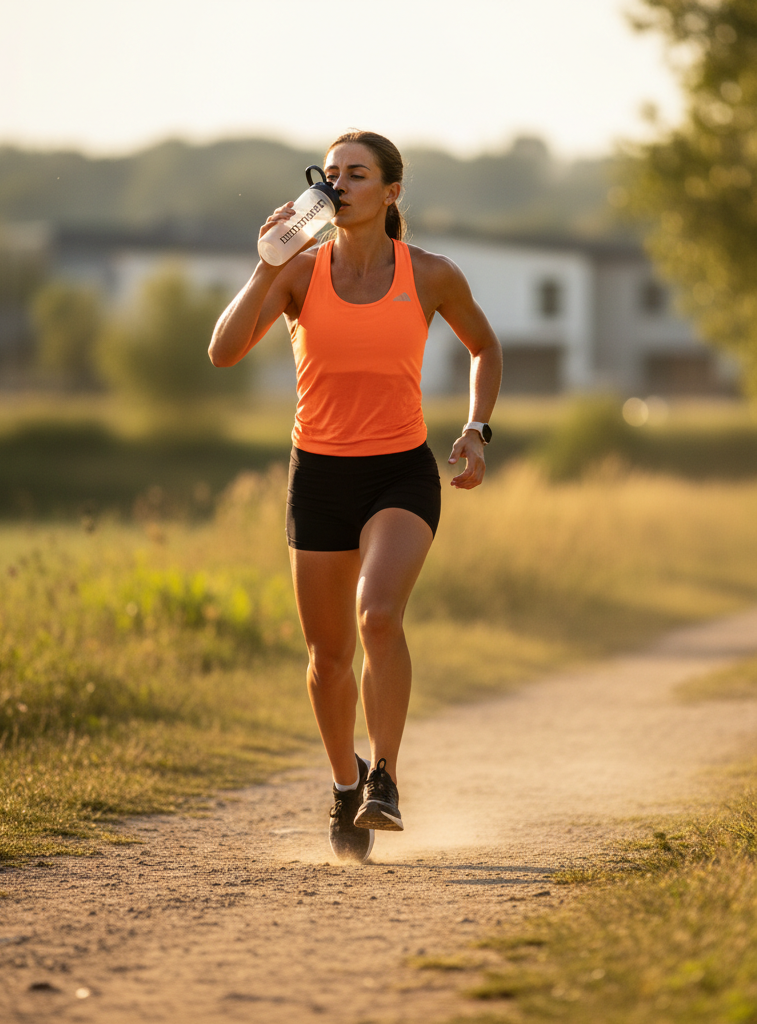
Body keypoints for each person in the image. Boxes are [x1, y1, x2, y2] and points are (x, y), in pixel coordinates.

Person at [209, 130, 502, 862]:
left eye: (357, 174)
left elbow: (484, 347)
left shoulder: (430, 274)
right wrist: (264, 264)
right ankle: (344, 785)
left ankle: (386, 780)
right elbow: (222, 351)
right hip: (320, 476)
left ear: (391, 192)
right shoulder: (297, 274)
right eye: (329, 173)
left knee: (377, 617)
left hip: (401, 471)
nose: (338, 185)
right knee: (328, 654)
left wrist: (475, 430)